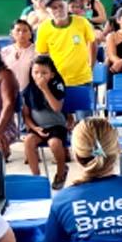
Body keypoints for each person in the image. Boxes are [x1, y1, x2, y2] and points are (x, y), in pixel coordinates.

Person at [21, 54, 71, 188]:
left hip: (56, 125)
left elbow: (56, 107)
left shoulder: (57, 86)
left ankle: (61, 172)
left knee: (54, 143)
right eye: (36, 72)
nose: (39, 76)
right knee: (28, 141)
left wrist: (45, 89)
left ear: (52, 74)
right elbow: (26, 115)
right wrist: (34, 128)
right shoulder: (28, 90)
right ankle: (36, 178)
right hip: (38, 127)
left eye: (44, 73)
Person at [36, 0, 97, 88]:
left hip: (82, 79)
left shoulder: (82, 22)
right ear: (48, 11)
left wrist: (91, 66)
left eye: (61, 6)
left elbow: (92, 43)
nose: (59, 10)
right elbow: (42, 54)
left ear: (66, 6)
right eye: (54, 8)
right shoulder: (43, 28)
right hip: (57, 79)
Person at [2, 18, 37, 92]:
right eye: (18, 30)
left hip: (30, 95)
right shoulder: (4, 51)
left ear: (30, 34)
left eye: (25, 31)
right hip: (8, 93)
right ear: (11, 33)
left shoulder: (37, 52)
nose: (21, 33)